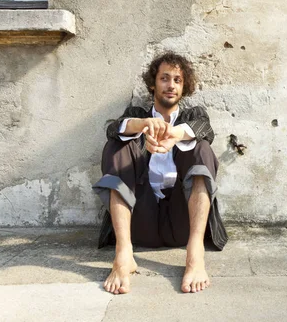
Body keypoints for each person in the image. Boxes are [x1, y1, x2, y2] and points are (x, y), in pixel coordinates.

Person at [93, 52, 228, 295]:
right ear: (153, 83)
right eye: (165, 78)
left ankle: (194, 256)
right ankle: (124, 256)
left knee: (201, 145)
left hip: (182, 222)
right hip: (140, 221)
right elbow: (114, 128)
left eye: (177, 80)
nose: (171, 85)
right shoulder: (137, 114)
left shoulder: (192, 115)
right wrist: (143, 126)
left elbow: (204, 128)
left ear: (184, 87)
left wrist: (176, 135)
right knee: (117, 143)